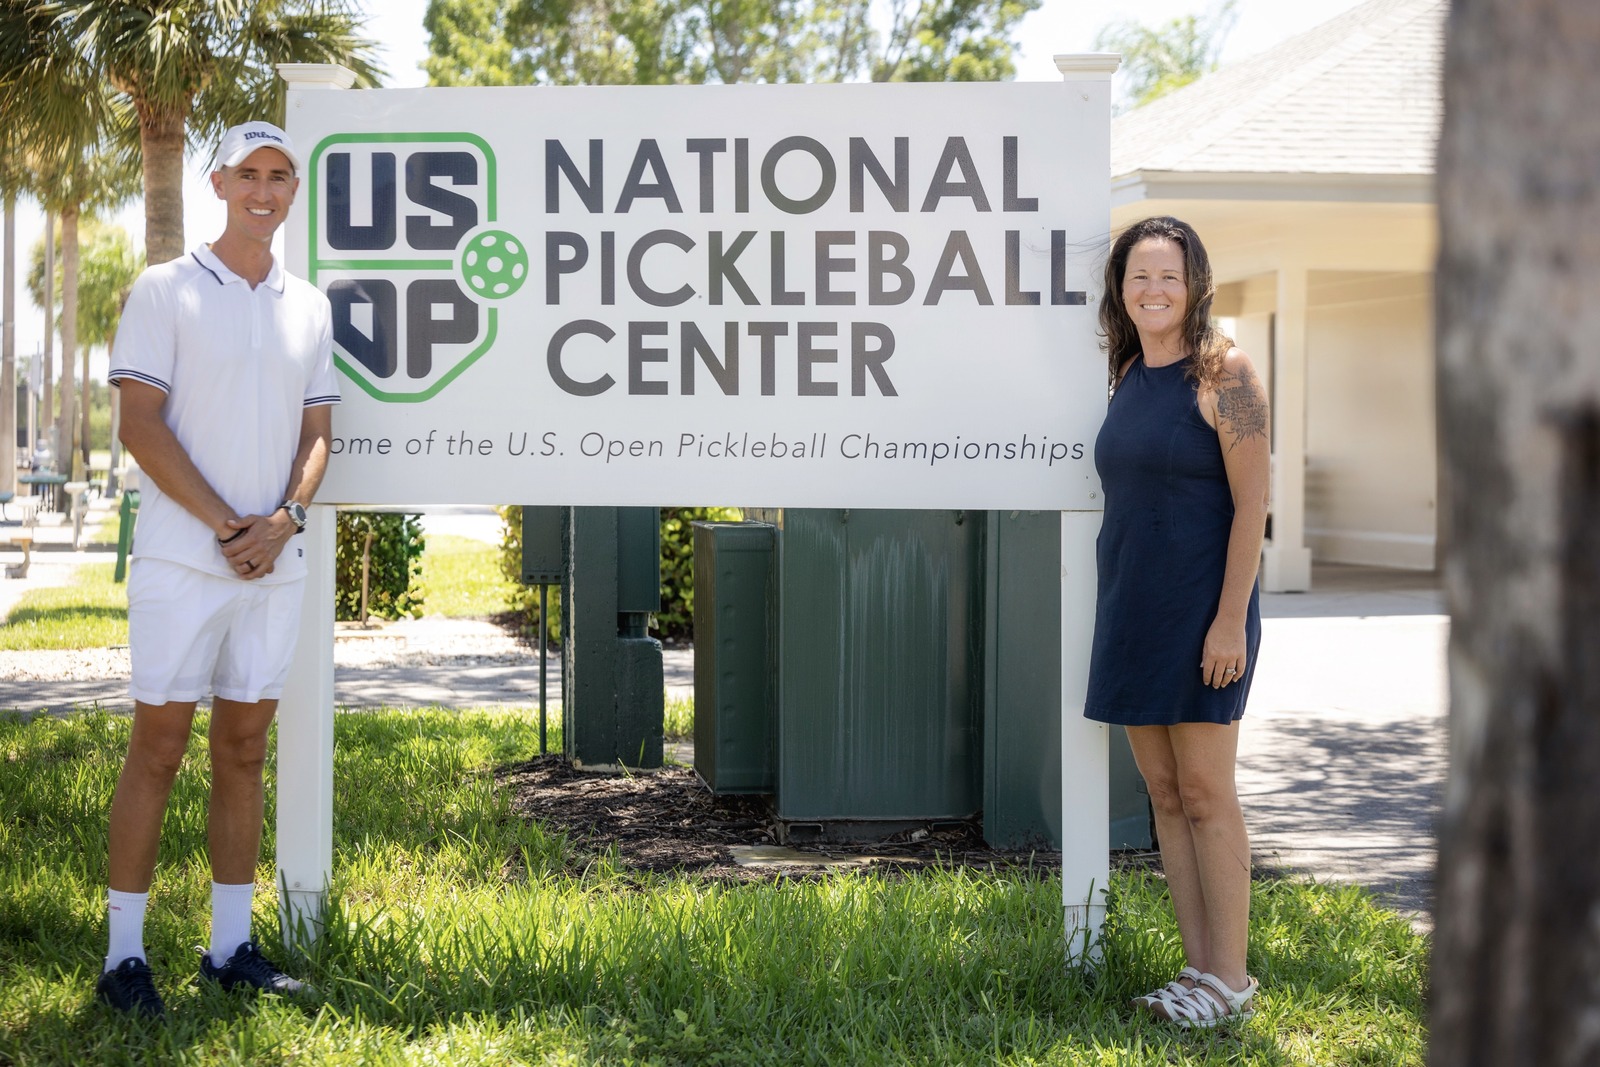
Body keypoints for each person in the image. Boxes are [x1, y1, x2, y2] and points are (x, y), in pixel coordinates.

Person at [96, 121, 339, 1019]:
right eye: (249, 175)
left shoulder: (307, 306)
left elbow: (318, 433)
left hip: (274, 560)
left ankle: (229, 947)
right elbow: (140, 426)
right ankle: (124, 959)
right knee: (158, 748)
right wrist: (227, 526)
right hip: (180, 560)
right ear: (218, 183)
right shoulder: (163, 290)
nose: (265, 191)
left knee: (243, 750)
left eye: (281, 176)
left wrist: (283, 521)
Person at [1084, 216, 1270, 1027]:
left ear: (1194, 284)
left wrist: (1229, 620)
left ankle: (1231, 978)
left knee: (1205, 792)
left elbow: (1253, 504)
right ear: (1119, 290)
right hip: (1132, 606)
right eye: (1138, 276)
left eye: (1168, 275)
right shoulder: (1128, 369)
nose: (1153, 290)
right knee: (1162, 794)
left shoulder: (1226, 371)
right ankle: (1198, 971)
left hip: (1204, 613)